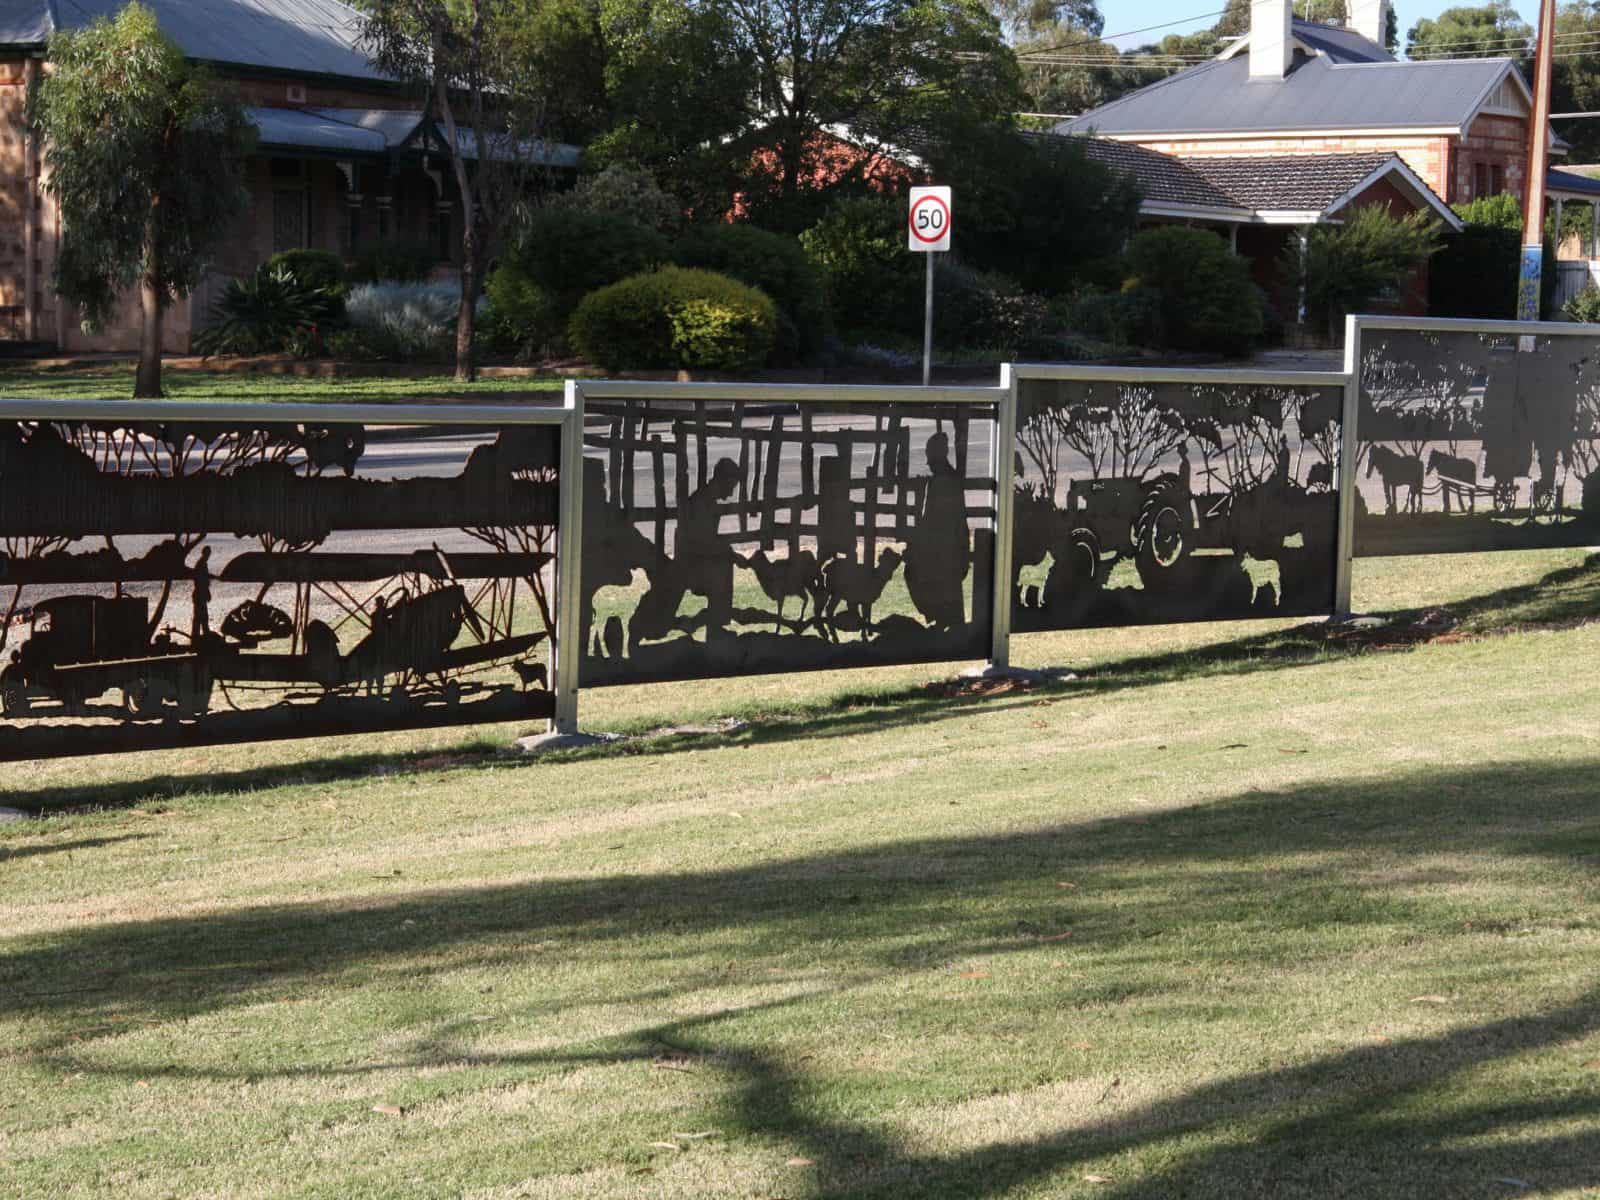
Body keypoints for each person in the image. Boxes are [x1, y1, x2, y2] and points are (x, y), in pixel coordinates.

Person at [903, 432, 969, 630]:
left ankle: (938, 616)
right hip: (947, 547)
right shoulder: (947, 478)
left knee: (913, 572)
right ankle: (941, 617)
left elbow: (933, 519)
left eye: (930, 457)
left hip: (944, 550)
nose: (929, 463)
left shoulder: (943, 481)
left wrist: (916, 544)